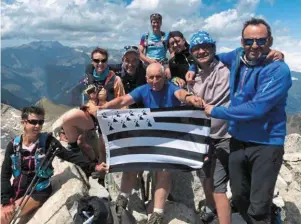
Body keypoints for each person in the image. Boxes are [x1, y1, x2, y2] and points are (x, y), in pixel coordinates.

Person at [204, 18, 292, 224]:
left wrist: (216, 111)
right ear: (242, 41)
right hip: (238, 140)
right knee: (240, 195)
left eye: (261, 41)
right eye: (249, 41)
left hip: (266, 143)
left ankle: (270, 216)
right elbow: (209, 56)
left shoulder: (278, 70)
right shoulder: (237, 56)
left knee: (259, 205)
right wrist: (190, 67)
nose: (254, 46)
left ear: (270, 41)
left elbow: (257, 108)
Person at [101, 63, 204, 224]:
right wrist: (104, 107)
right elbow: (123, 100)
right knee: (132, 162)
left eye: (158, 77)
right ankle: (123, 198)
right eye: (151, 77)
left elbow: (181, 94)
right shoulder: (143, 89)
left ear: (165, 77)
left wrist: (190, 98)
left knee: (164, 170)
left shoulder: (170, 88)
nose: (155, 81)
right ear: (146, 78)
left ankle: (157, 212)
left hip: (169, 137)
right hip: (150, 135)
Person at [1, 106, 106, 224]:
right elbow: (5, 174)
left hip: (38, 191)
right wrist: (5, 200)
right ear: (23, 122)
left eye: (40, 122)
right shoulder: (13, 146)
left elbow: (69, 156)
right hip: (18, 189)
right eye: (33, 122)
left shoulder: (48, 142)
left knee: (2, 216)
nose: (37, 126)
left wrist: (93, 166)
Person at [187, 31, 232, 224]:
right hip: (203, 137)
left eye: (206, 47)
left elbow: (245, 53)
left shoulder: (228, 68)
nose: (201, 51)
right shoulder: (192, 77)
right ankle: (210, 207)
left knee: (219, 185)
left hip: (226, 136)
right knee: (205, 176)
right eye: (196, 48)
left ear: (213, 48)